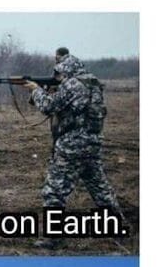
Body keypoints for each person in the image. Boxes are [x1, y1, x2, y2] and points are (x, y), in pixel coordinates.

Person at [24, 54, 122, 248]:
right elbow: (74, 107)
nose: (59, 76)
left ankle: (54, 238)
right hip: (92, 143)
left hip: (71, 146)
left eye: (60, 73)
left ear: (66, 70)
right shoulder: (92, 83)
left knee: (54, 191)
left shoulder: (72, 84)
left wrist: (36, 91)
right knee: (100, 188)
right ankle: (117, 226)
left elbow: (49, 106)